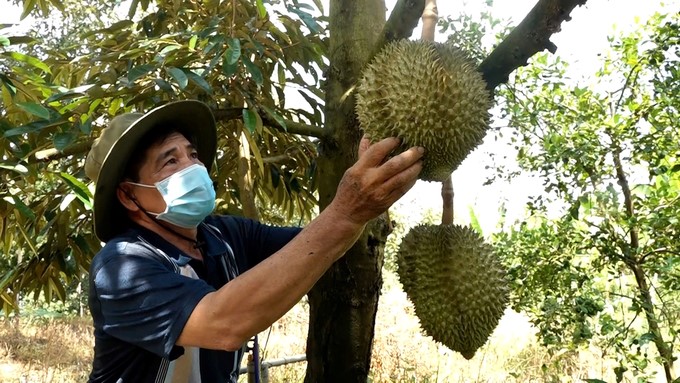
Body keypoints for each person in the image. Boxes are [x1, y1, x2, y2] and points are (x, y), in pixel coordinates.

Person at [83, 99, 423, 383]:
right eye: (170, 161)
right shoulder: (123, 267)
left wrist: (365, 198)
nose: (192, 166)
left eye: (192, 154)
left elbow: (315, 246)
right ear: (129, 196)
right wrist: (346, 214)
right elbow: (224, 322)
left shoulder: (222, 234)